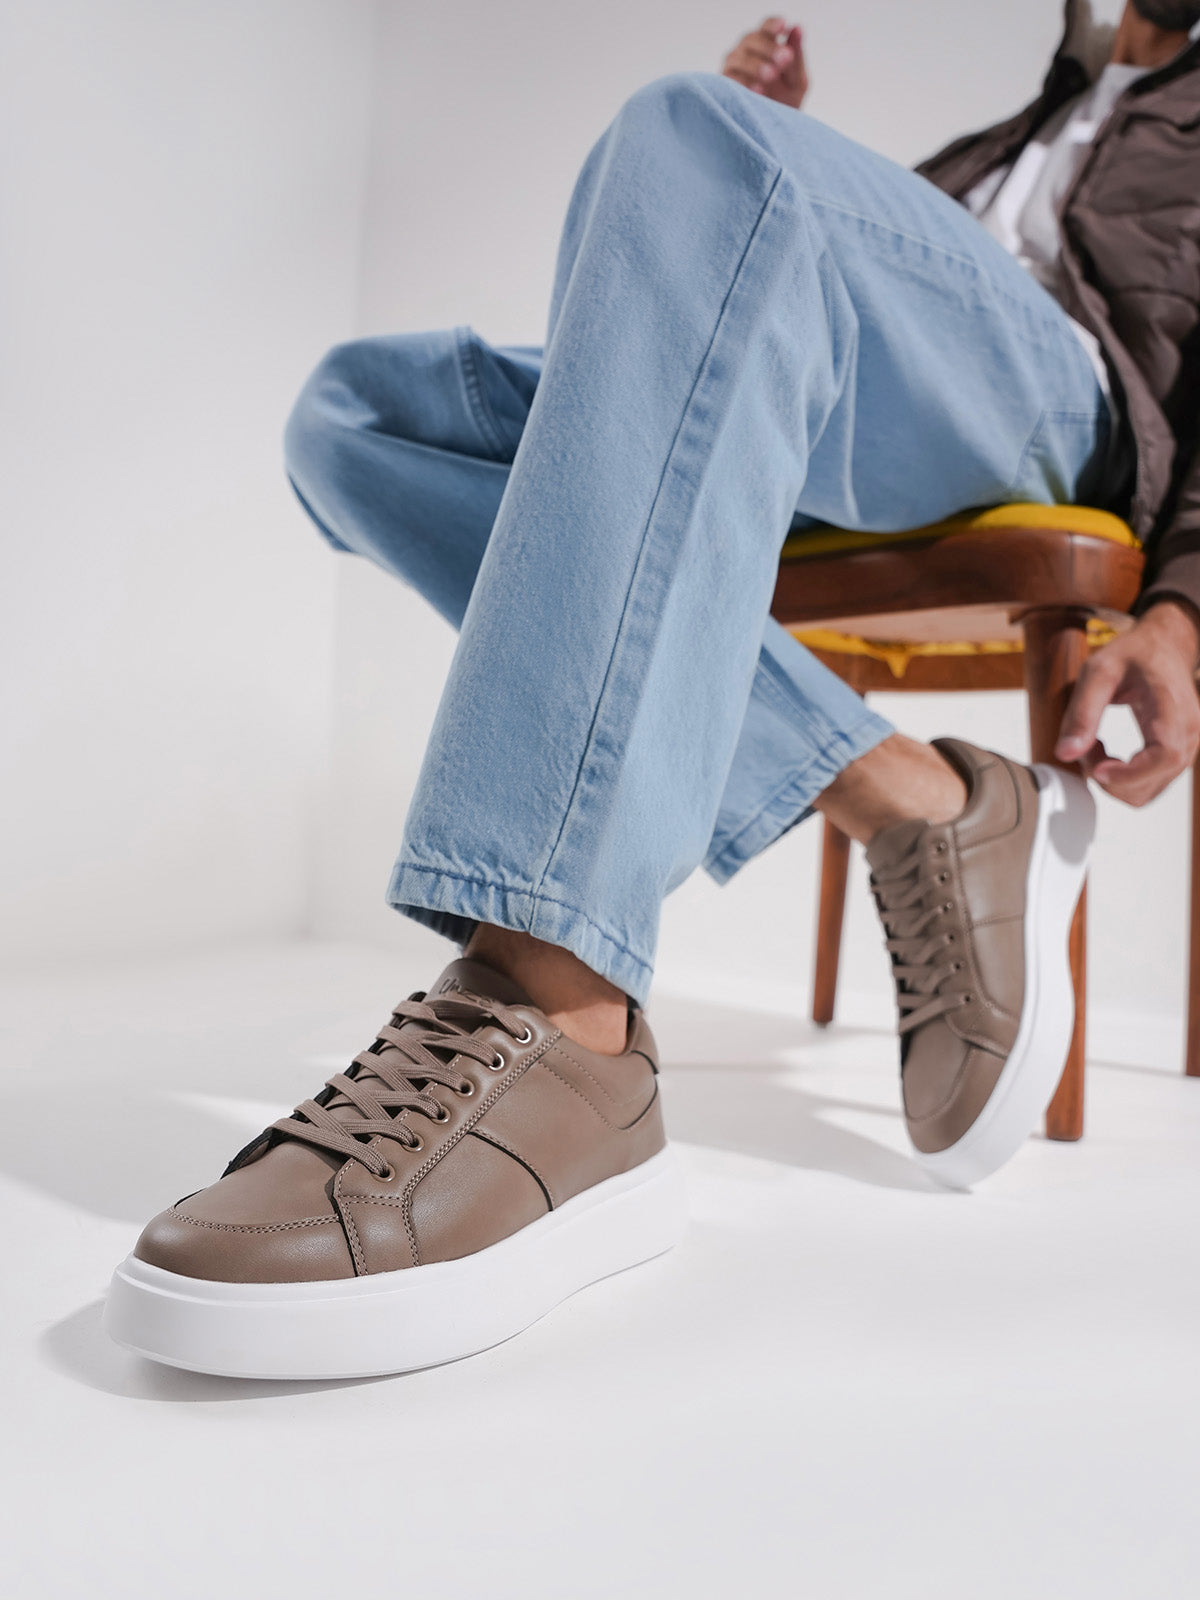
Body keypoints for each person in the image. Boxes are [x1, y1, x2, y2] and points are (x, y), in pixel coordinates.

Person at [105, 1, 1200, 1379]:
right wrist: (758, 196)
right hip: (875, 400)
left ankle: (558, 1004)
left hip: (1072, 409)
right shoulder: (1016, 129)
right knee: (357, 416)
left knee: (697, 135)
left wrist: (1185, 604)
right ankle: (914, 795)